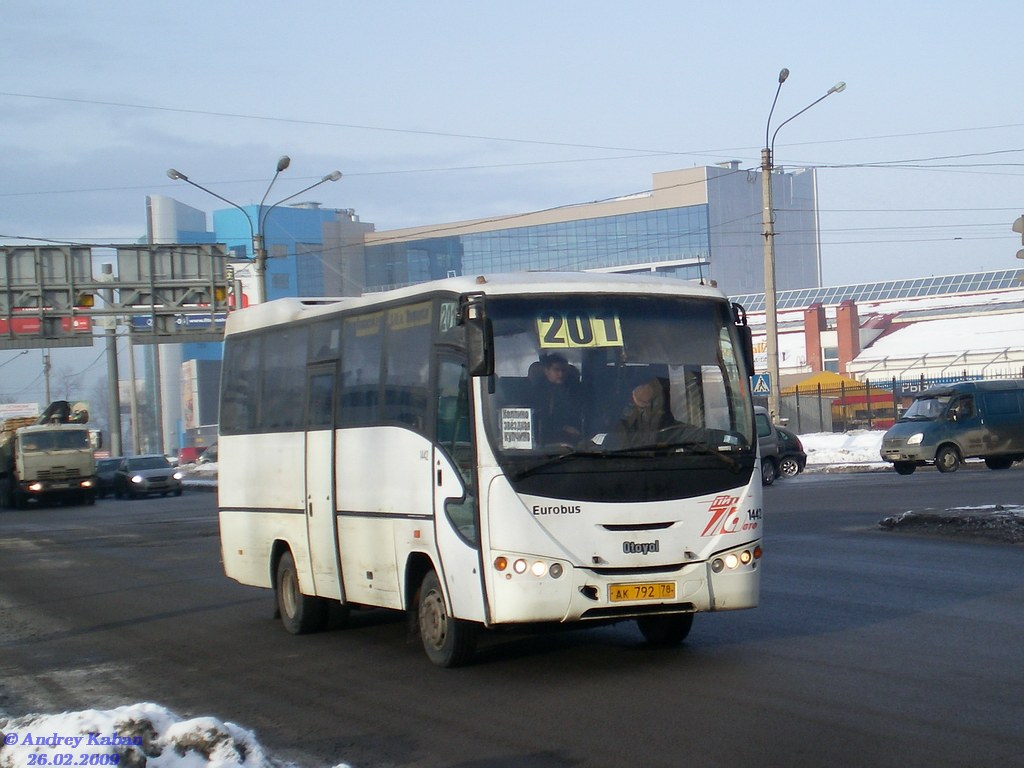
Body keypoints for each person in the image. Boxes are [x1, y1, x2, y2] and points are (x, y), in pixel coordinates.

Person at [529, 353, 583, 445]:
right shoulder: (536, 393)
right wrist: (564, 428)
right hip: (543, 442)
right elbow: (537, 419)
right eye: (556, 370)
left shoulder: (576, 390)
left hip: (577, 441)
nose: (561, 374)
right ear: (546, 371)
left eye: (564, 370)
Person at [607, 379, 672, 449]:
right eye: (642, 404)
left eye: (651, 402)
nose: (646, 390)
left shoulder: (673, 428)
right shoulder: (620, 430)